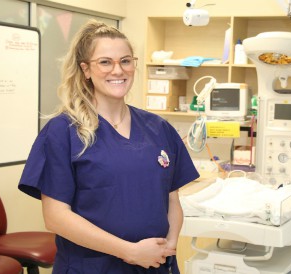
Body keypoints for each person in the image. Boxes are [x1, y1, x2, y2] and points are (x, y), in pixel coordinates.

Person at [18, 19, 199, 273]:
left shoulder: (158, 129)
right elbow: (56, 217)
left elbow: (171, 200)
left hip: (156, 265)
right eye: (105, 62)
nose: (118, 70)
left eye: (125, 61)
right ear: (86, 70)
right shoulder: (63, 132)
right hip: (94, 267)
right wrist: (131, 252)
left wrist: (168, 246)